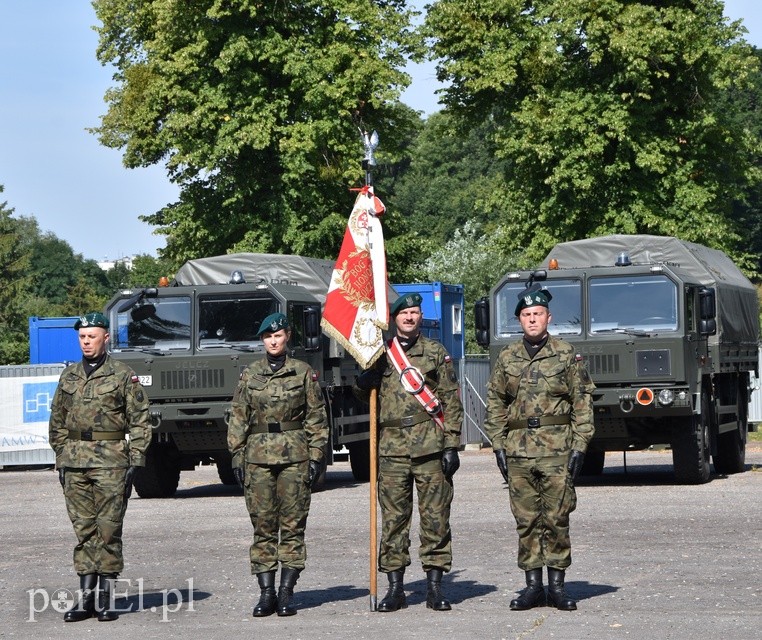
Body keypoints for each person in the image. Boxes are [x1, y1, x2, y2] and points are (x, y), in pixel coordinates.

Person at [483, 287, 595, 611]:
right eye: (526, 315)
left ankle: (557, 587)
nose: (532, 319)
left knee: (558, 517)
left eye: (538, 314)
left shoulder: (566, 354)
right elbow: (495, 403)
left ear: (549, 317)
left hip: (557, 450)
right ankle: (533, 587)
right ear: (520, 320)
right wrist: (498, 445)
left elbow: (582, 402)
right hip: (518, 452)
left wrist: (580, 446)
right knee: (526, 519)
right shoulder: (507, 358)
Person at [356, 293, 464, 612]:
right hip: (391, 449)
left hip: (430, 446)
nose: (410, 318)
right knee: (393, 520)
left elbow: (450, 400)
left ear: (420, 318)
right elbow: (363, 395)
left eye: (415, 313)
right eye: (405, 313)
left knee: (435, 518)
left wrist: (452, 445)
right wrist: (365, 380)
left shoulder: (434, 352)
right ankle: (395, 589)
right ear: (394, 318)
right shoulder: (380, 353)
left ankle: (434, 588)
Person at [48, 311, 152, 622]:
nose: (86, 342)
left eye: (92, 336)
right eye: (82, 337)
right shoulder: (68, 376)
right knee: (83, 531)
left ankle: (106, 598)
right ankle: (85, 599)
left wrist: (136, 459)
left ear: (106, 337)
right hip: (75, 463)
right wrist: (62, 456)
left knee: (108, 530)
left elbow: (141, 420)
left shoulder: (122, 375)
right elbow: (57, 421)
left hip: (111, 463)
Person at [228, 312, 329, 618]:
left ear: (287, 337)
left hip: (294, 459)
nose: (273, 341)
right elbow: (238, 417)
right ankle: (266, 593)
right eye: (268, 337)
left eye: (278, 335)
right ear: (263, 340)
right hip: (257, 460)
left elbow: (316, 418)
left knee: (294, 525)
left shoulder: (303, 373)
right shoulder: (250, 374)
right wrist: (236, 455)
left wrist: (316, 457)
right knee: (263, 526)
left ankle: (286, 592)